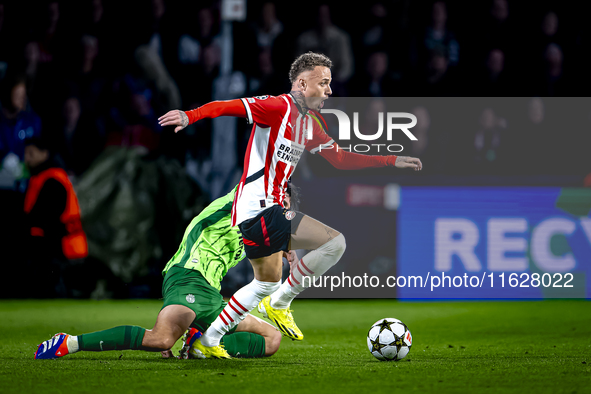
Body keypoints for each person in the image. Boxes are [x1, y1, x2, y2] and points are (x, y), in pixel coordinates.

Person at [158, 52, 422, 359]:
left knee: (265, 283)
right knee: (335, 243)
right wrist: (190, 116)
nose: (329, 91)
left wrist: (391, 160)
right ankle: (280, 303)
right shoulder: (276, 106)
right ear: (302, 82)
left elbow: (340, 158)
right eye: (323, 83)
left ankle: (207, 339)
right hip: (258, 207)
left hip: (264, 210)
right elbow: (225, 106)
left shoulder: (309, 124)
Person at [33, 185, 298, 360]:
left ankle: (197, 343)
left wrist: (285, 246)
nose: (284, 213)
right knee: (161, 339)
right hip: (188, 277)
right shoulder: (248, 196)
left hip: (211, 294)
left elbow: (267, 270)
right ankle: (69, 342)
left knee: (271, 339)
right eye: (285, 206)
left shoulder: (262, 231)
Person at [24, 137, 88, 298]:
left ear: (45, 154)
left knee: (54, 290)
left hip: (61, 248)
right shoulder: (42, 177)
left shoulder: (52, 180)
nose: (26, 158)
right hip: (58, 246)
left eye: (31, 153)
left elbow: (48, 219)